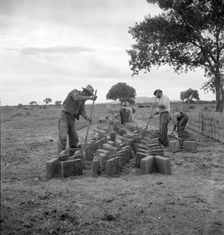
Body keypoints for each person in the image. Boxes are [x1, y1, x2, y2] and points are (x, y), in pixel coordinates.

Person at [58, 85, 97, 153]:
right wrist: (90, 98)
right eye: (88, 94)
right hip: (64, 116)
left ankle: (72, 152)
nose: (88, 95)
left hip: (72, 118)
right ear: (84, 91)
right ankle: (61, 154)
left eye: (89, 95)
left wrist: (87, 117)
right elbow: (76, 98)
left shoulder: (82, 101)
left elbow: (82, 110)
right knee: (63, 137)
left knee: (74, 137)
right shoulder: (74, 92)